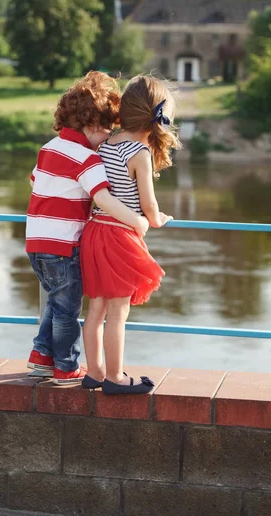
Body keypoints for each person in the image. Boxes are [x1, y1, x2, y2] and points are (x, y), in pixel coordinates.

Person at [26, 72, 149, 386]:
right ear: (93, 124)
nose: (108, 136)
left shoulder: (49, 147)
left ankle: (41, 356)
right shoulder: (87, 159)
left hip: (36, 242)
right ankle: (65, 366)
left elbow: (34, 180)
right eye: (107, 128)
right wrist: (136, 220)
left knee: (57, 300)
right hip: (63, 245)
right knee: (68, 309)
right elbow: (104, 199)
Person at [80, 75, 181, 394]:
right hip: (119, 237)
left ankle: (93, 373)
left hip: (94, 231)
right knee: (118, 313)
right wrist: (160, 219)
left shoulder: (107, 142)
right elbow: (148, 205)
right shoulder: (139, 153)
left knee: (95, 310)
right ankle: (114, 378)